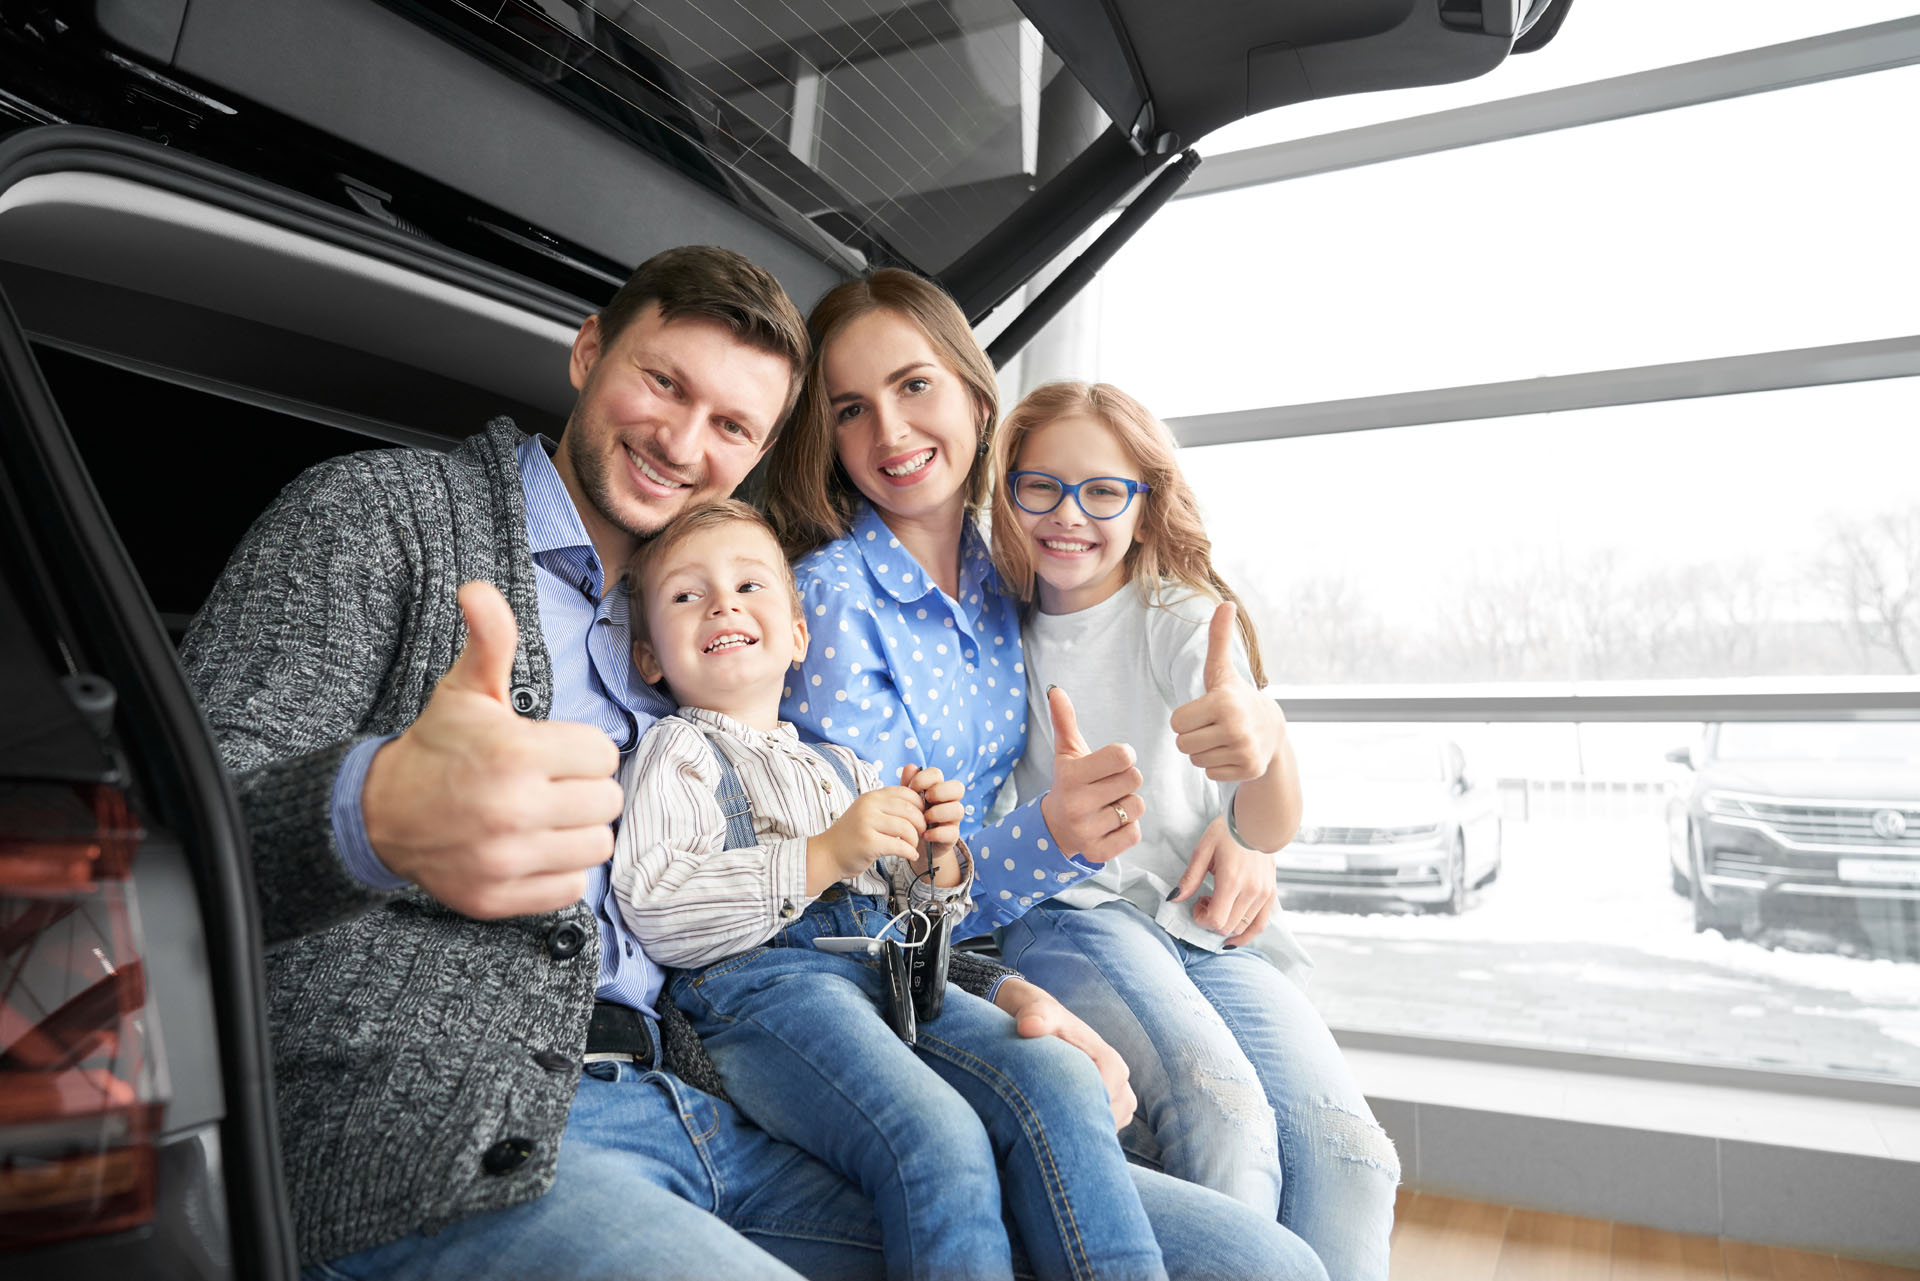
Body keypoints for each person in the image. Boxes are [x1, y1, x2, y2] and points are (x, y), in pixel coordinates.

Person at [179, 245, 1329, 1280]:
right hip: (442, 1131)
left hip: (716, 1099)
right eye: (664, 384)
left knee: (1261, 1264)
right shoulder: (387, 520)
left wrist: (982, 984)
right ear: (589, 352)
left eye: (733, 426)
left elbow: (802, 898)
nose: (685, 444)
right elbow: (181, 825)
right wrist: (370, 811)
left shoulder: (722, 638)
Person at [612, 500, 1168, 1281]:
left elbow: (916, 916)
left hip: (889, 974)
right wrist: (827, 850)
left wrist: (938, 860)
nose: (723, 604)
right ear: (648, 659)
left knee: (1057, 1079)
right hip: (759, 991)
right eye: (686, 595)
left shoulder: (844, 767)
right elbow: (657, 904)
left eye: (748, 584)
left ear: (798, 635)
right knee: (936, 1137)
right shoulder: (676, 751)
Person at [990, 381, 1401, 1281]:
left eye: (1103, 491)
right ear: (1007, 493)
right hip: (1076, 909)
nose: (1069, 515)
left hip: (1203, 922)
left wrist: (1266, 747)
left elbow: (1267, 816)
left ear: (1143, 507)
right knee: (1224, 1118)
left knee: (1356, 1156)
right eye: (1041, 487)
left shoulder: (1180, 616)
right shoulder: (993, 621)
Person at [767, 269, 1144, 941]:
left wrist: (1237, 824)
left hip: (1018, 909)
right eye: (850, 409)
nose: (890, 432)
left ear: (974, 396)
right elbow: (891, 880)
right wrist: (1052, 835)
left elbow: (1146, 614)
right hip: (892, 940)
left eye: (914, 384)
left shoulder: (1005, 567)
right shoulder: (830, 599)